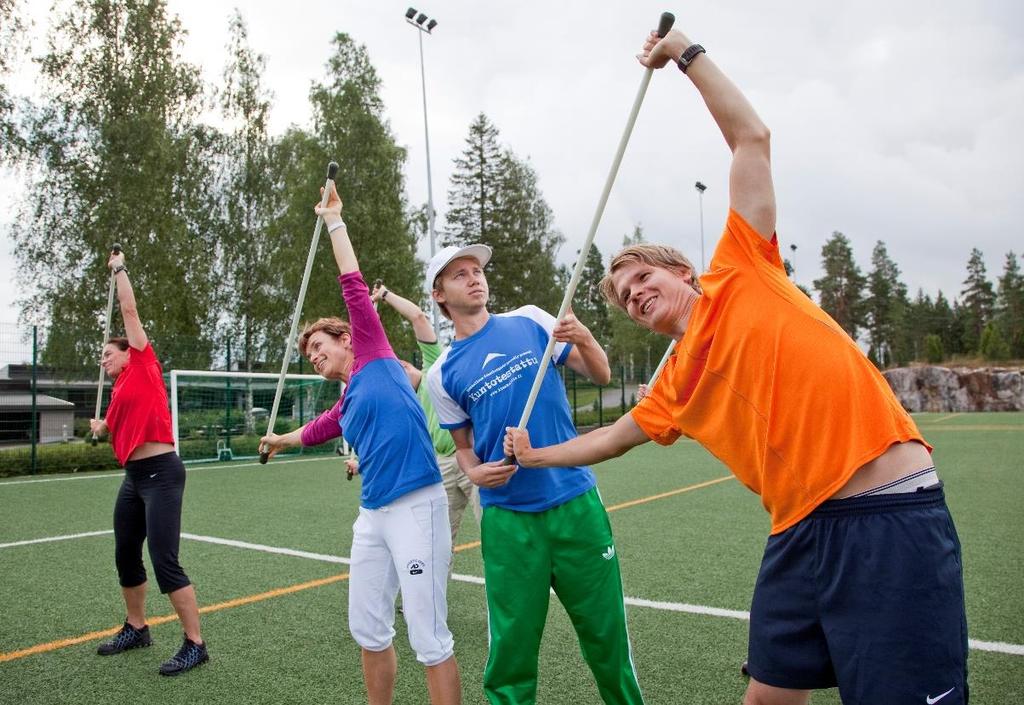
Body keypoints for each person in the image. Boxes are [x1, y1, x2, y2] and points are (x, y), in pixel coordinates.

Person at [505, 24, 968, 705]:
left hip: (884, 512)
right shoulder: (673, 384)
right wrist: (535, 454)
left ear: (681, 270)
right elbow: (614, 436)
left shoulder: (743, 266)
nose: (636, 296)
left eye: (641, 278)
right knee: (766, 698)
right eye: (628, 300)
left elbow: (752, 138)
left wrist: (685, 56)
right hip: (798, 531)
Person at [261, 182, 461, 705]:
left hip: (418, 505)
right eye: (308, 356)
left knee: (429, 637)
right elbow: (321, 427)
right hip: (373, 514)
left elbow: (352, 285)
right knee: (368, 628)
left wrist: (333, 220)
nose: (314, 357)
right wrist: (280, 439)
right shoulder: (348, 397)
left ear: (347, 339)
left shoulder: (372, 351)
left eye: (319, 347)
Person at [424, 245, 645, 705]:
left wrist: (583, 336)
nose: (474, 279)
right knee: (512, 653)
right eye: (460, 275)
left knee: (607, 641)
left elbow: (601, 374)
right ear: (439, 294)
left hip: (575, 503)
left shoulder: (530, 320)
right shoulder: (441, 374)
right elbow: (462, 448)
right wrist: (476, 472)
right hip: (509, 521)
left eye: (477, 271)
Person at [90, 249, 208, 676]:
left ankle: (196, 643)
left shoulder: (143, 361)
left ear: (128, 351)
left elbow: (129, 309)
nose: (104, 359)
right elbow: (120, 429)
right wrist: (103, 428)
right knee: (125, 553)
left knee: (164, 558)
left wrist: (119, 269)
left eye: (109, 352)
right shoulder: (120, 389)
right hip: (134, 477)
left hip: (161, 473)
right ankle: (137, 627)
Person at [370, 282, 480, 546]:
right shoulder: (404, 403)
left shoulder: (434, 366)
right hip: (440, 464)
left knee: (492, 526)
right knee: (438, 540)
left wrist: (385, 295)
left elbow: (417, 316)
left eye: (396, 372)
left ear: (406, 365)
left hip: (473, 455)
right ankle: (434, 588)